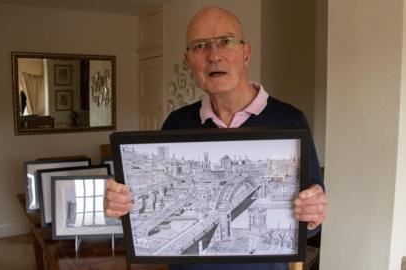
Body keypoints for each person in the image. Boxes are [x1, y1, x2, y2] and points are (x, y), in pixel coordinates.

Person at [105, 6, 328, 270]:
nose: (214, 55)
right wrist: (121, 206)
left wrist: (313, 215)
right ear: (188, 60)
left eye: (226, 41)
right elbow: (145, 215)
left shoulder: (291, 121)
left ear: (246, 53)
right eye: (200, 46)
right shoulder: (176, 124)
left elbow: (308, 229)